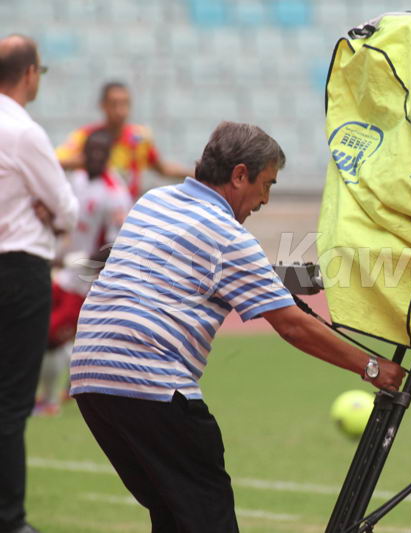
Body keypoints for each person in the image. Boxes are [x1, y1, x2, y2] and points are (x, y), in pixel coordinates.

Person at [69, 121, 405, 533]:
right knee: (208, 519)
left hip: (91, 381)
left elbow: (207, 268)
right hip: (152, 384)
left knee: (173, 516)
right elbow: (292, 326)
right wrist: (373, 367)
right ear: (240, 174)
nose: (265, 199)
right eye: (266, 185)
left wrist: (303, 278)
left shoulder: (155, 201)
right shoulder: (229, 236)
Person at [0, 34, 79, 533]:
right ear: (30, 73)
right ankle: (9, 519)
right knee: (11, 401)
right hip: (17, 268)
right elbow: (67, 209)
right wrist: (49, 214)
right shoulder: (22, 132)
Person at [35, 128, 132, 416]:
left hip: (86, 283)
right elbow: (66, 222)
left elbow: (117, 244)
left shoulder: (115, 194)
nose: (95, 156)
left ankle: (49, 401)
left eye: (101, 152)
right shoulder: (76, 180)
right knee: (38, 328)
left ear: (109, 155)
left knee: (51, 337)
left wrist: (84, 262)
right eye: (91, 150)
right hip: (64, 276)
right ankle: (64, 387)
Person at [56, 81, 193, 199]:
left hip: (127, 211)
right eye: (114, 104)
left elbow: (162, 168)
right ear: (103, 105)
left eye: (125, 104)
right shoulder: (87, 137)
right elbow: (56, 161)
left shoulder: (139, 138)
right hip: (96, 213)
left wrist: (196, 174)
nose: (120, 111)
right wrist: (85, 162)